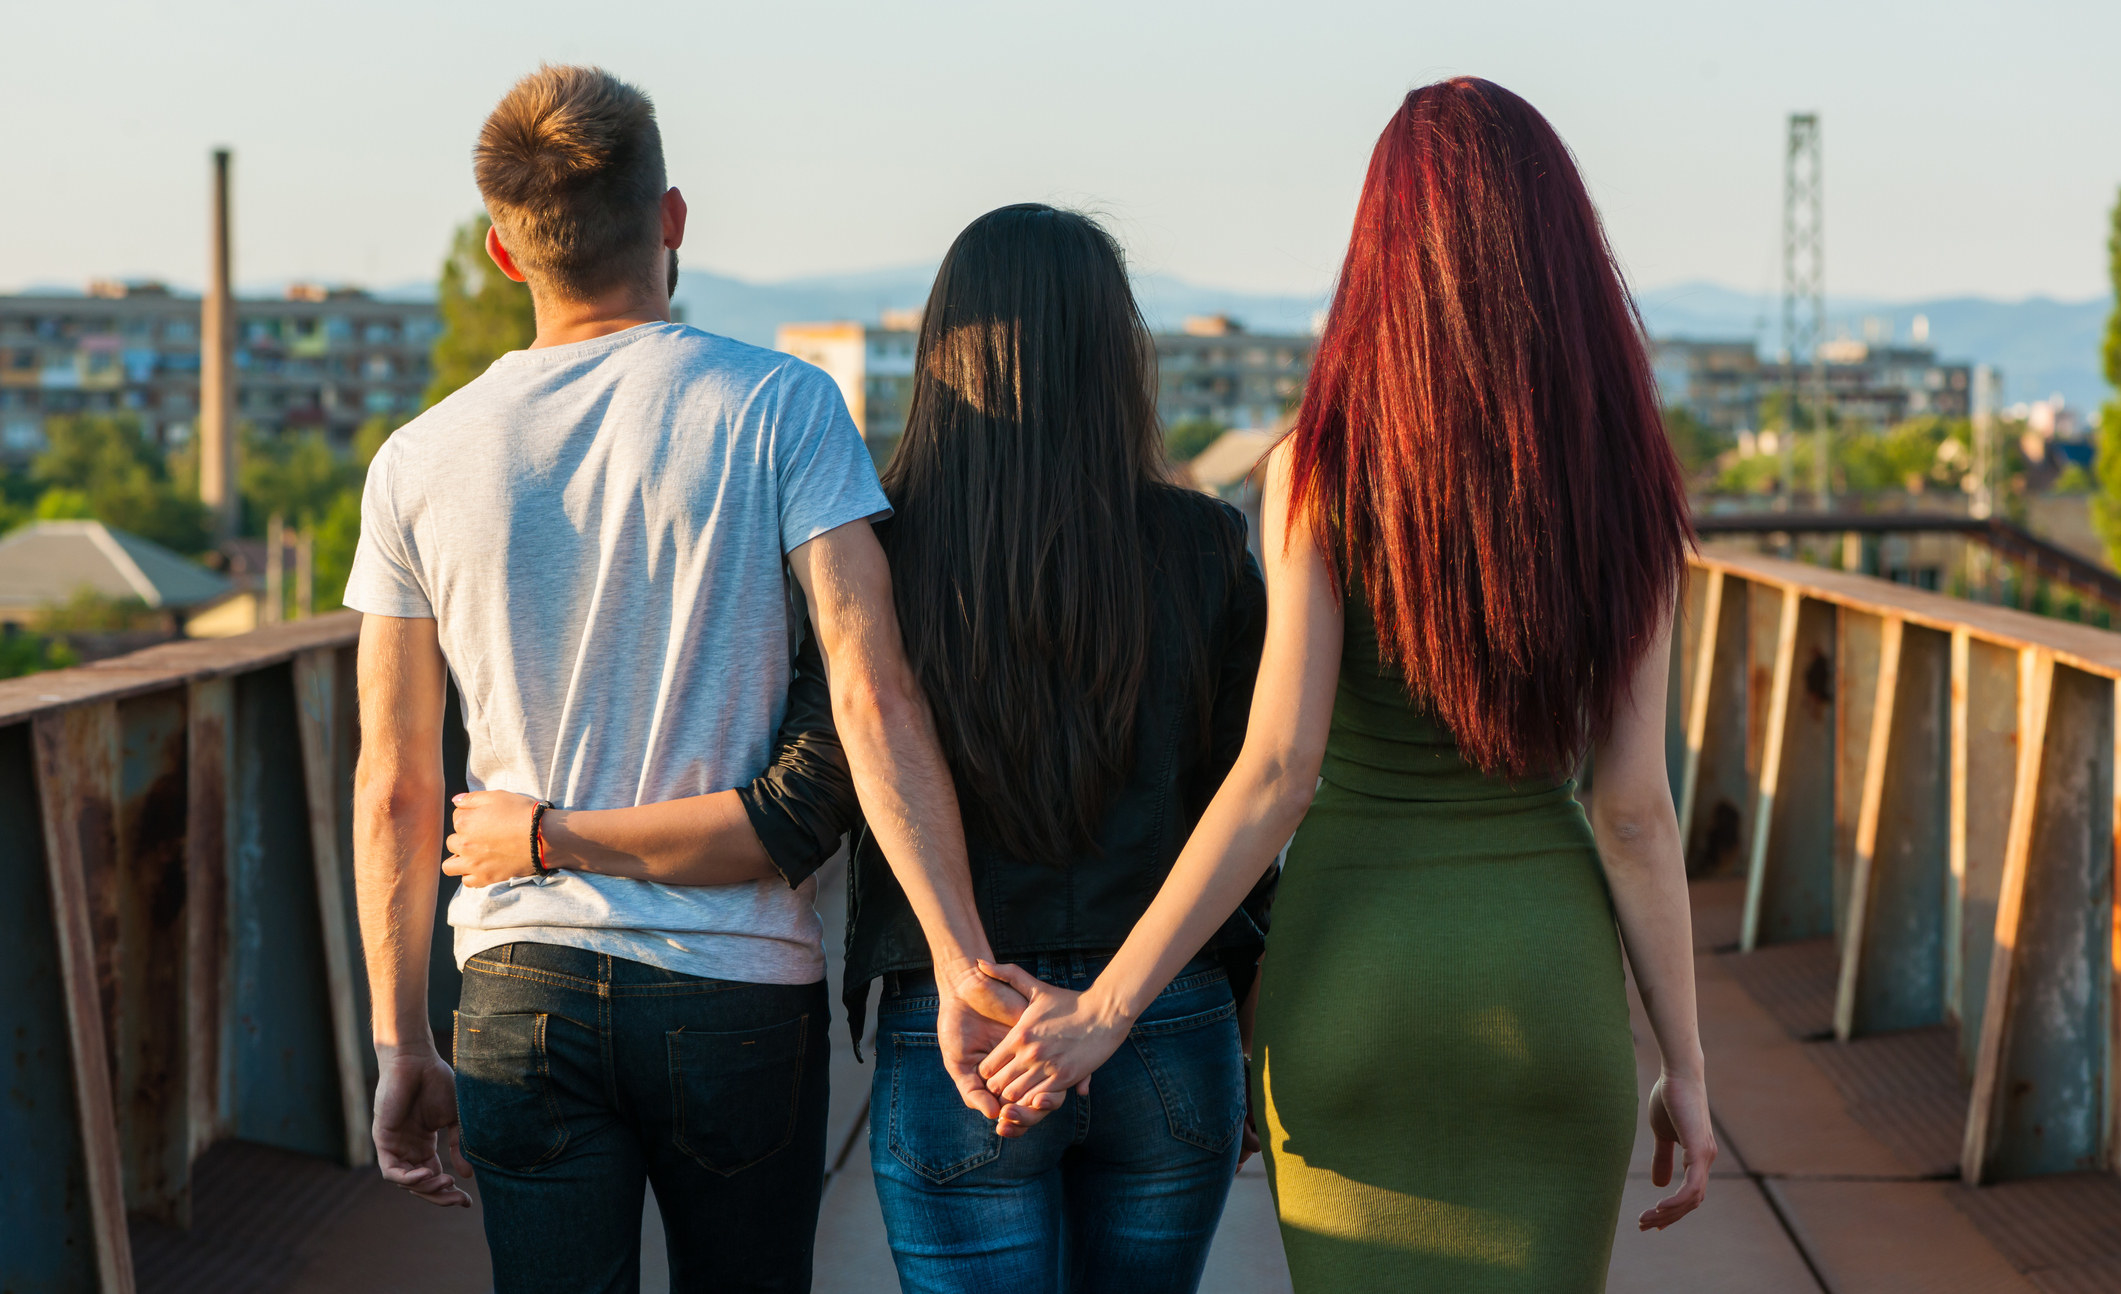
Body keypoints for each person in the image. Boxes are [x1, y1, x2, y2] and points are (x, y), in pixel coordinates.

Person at [442, 204, 1275, 1294]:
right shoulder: (1207, 546)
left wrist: (552, 837)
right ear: (1120, 355)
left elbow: (811, 799)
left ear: (939, 359)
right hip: (1162, 1020)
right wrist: (1240, 1033)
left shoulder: (878, 552)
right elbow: (1248, 812)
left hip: (959, 1028)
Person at [972, 80, 1717, 1292]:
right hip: (1548, 998)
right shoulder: (1628, 485)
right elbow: (1634, 813)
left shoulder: (1325, 466)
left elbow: (1278, 772)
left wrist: (1107, 1008)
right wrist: (1685, 1064)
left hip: (1354, 987)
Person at [347, 64, 1020, 1294]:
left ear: (505, 253)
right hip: (737, 995)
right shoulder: (783, 409)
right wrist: (962, 958)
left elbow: (395, 781)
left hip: (518, 984)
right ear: (670, 218)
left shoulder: (416, 462)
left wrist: (401, 1040)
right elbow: (875, 698)